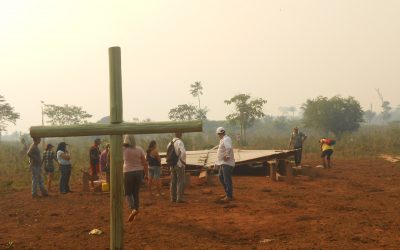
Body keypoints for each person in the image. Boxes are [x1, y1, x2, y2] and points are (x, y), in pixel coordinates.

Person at [123, 134, 148, 222]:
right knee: (135, 193)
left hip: (128, 172)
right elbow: (144, 162)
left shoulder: (124, 149)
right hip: (139, 172)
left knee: (127, 193)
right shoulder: (139, 149)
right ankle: (136, 210)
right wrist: (146, 174)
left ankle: (133, 209)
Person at [215, 127, 235, 202]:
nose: (219, 135)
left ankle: (229, 196)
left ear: (219, 134)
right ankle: (227, 193)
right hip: (223, 163)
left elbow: (229, 148)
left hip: (227, 163)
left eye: (219, 134)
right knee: (221, 177)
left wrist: (227, 156)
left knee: (227, 179)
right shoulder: (223, 140)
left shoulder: (226, 139)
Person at [167, 132, 186, 203]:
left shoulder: (170, 143)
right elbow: (183, 152)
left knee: (173, 181)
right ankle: (179, 198)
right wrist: (183, 161)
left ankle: (173, 198)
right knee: (180, 181)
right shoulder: (179, 142)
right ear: (180, 134)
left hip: (172, 164)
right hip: (179, 164)